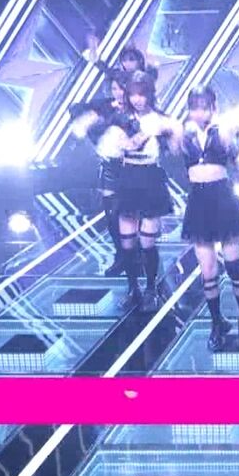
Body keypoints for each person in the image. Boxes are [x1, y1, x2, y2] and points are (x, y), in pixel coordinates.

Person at [174, 87, 239, 352]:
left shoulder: (223, 130)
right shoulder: (183, 134)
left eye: (204, 107)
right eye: (194, 107)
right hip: (198, 202)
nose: (199, 113)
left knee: (233, 264)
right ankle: (217, 323)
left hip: (223, 199)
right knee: (207, 270)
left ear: (213, 107)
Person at [113, 71, 179, 312]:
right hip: (128, 178)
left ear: (149, 94)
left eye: (141, 94)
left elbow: (175, 151)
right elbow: (118, 147)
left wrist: (170, 132)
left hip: (150, 178)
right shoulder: (121, 118)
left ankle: (151, 288)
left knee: (147, 242)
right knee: (127, 243)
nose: (137, 99)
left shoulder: (161, 120)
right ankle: (133, 289)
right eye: (133, 94)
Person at [70, 70, 130, 277]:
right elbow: (81, 119)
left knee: (131, 215)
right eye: (114, 89)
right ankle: (121, 256)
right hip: (110, 167)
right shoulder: (105, 107)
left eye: (122, 89)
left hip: (134, 168)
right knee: (112, 215)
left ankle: (137, 255)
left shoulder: (139, 109)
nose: (118, 93)